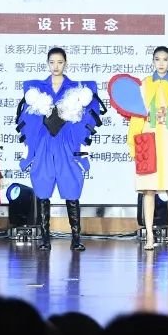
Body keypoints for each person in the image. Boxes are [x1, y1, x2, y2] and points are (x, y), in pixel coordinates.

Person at [16, 47, 105, 252]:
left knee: (71, 185)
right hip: (45, 142)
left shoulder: (75, 88)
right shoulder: (38, 88)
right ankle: (45, 238)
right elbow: (29, 118)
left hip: (66, 142)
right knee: (42, 186)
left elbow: (88, 114)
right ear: (47, 63)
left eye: (59, 62)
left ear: (66, 63)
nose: (56, 66)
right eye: (52, 62)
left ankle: (76, 238)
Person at [126, 47, 168, 251]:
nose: (161, 63)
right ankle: (149, 236)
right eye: (157, 59)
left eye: (165, 59)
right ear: (153, 61)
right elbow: (137, 115)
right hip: (149, 140)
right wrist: (134, 146)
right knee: (149, 190)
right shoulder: (144, 84)